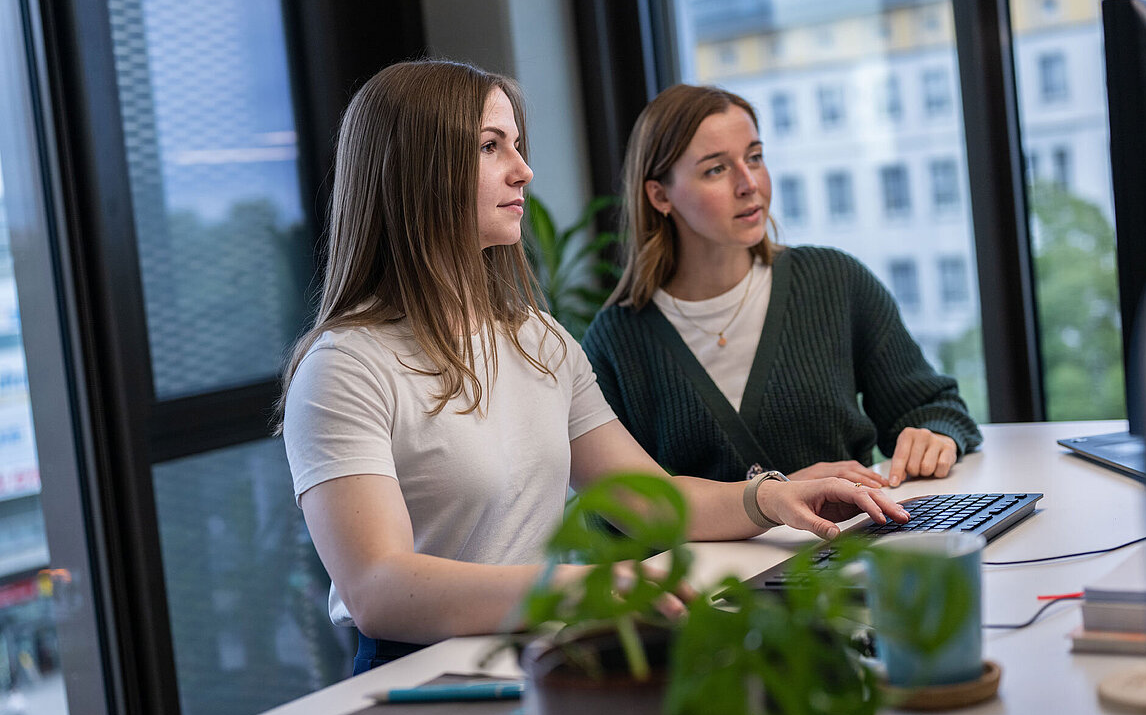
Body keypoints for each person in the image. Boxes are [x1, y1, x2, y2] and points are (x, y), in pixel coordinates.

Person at [278, 60, 909, 674]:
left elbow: (645, 497)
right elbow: (379, 591)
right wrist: (588, 587)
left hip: (538, 652)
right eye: (490, 147)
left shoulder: (536, 338)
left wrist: (772, 497)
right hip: (422, 674)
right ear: (417, 173)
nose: (523, 171)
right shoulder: (344, 368)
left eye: (516, 145)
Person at [582, 83, 982, 489]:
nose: (748, 183)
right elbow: (613, 508)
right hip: (707, 557)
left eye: (754, 158)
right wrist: (771, 498)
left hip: (851, 546)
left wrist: (934, 434)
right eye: (716, 169)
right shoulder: (615, 342)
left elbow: (934, 406)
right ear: (660, 195)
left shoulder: (834, 281)